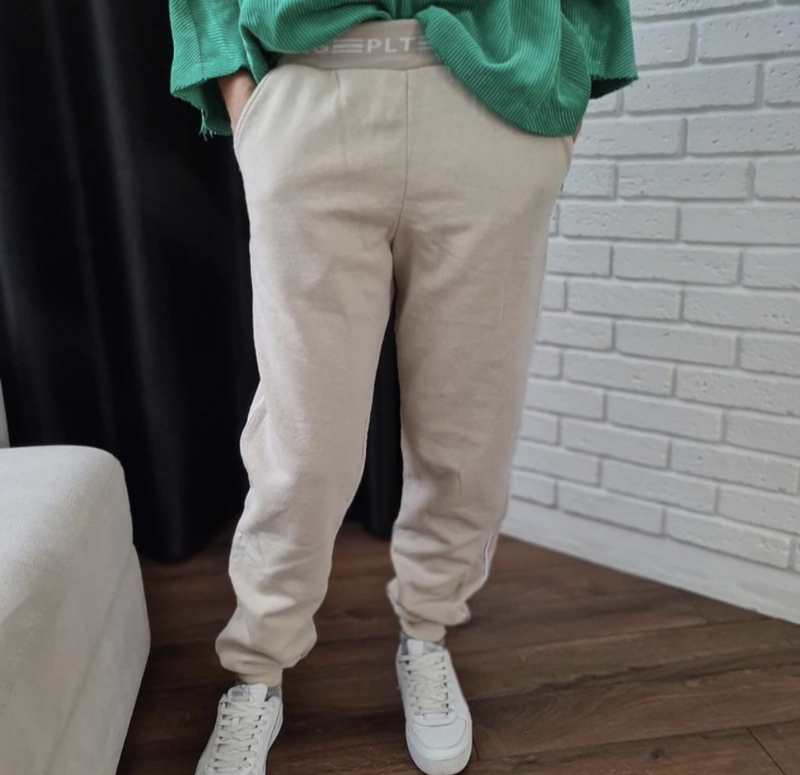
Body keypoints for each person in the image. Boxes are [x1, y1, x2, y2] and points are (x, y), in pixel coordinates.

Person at [168, 3, 637, 774]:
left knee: (469, 427)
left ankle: (427, 631)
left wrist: (567, 91)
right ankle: (257, 668)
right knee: (304, 445)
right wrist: (241, 97)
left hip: (490, 100)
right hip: (314, 88)